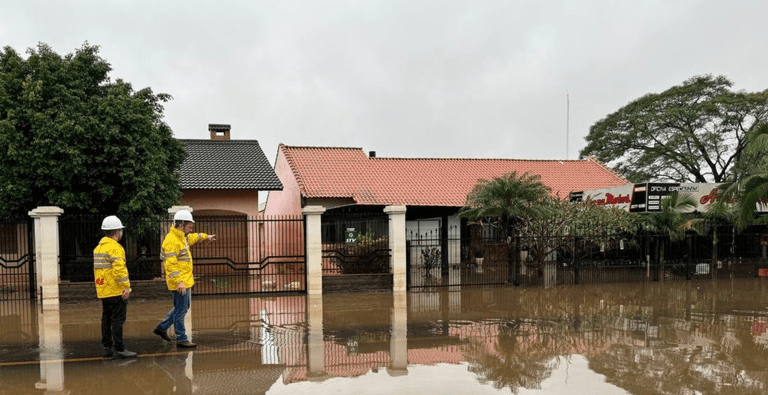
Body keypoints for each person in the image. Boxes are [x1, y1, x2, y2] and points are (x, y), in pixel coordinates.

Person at [153, 209, 216, 348]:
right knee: (181, 310)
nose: (191, 229)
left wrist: (206, 237)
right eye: (189, 226)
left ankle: (162, 328)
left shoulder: (182, 237)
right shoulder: (171, 241)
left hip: (184, 280)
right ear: (180, 225)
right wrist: (179, 282)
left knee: (182, 307)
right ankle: (181, 338)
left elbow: (194, 237)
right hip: (179, 282)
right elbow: (170, 265)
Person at [94, 215, 137, 359]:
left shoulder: (98, 248)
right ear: (116, 232)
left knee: (106, 318)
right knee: (118, 320)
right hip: (115, 290)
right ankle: (119, 348)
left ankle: (107, 347)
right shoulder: (116, 248)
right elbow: (119, 270)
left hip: (103, 290)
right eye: (120, 230)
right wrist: (126, 287)